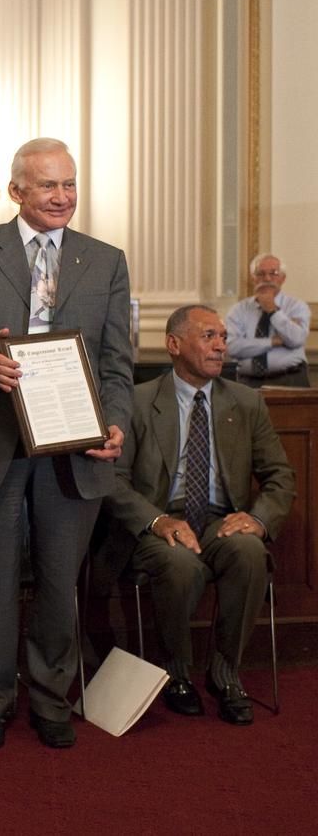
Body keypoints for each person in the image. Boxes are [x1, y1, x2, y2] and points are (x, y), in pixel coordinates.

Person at [0, 137, 132, 749]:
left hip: (74, 447)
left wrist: (117, 423)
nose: (62, 196)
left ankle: (52, 696)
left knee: (57, 580)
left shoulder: (106, 260)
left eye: (70, 184)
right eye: (48, 185)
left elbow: (117, 364)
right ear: (17, 190)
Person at [107, 305, 294, 725]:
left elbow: (280, 476)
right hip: (158, 522)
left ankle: (225, 673)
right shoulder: (136, 402)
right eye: (209, 335)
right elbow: (112, 480)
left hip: (218, 520)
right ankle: (177, 672)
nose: (221, 345)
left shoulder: (245, 402)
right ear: (174, 344)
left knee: (248, 550)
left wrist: (259, 519)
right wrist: (157, 521)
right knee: (179, 562)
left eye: (224, 337)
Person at [225, 254, 311, 388]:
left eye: (273, 273)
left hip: (290, 379)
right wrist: (273, 341)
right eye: (260, 273)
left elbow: (296, 339)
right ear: (253, 278)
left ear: (283, 278)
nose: (267, 278)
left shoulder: (296, 306)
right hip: (247, 383)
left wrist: (273, 311)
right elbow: (233, 348)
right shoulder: (238, 310)